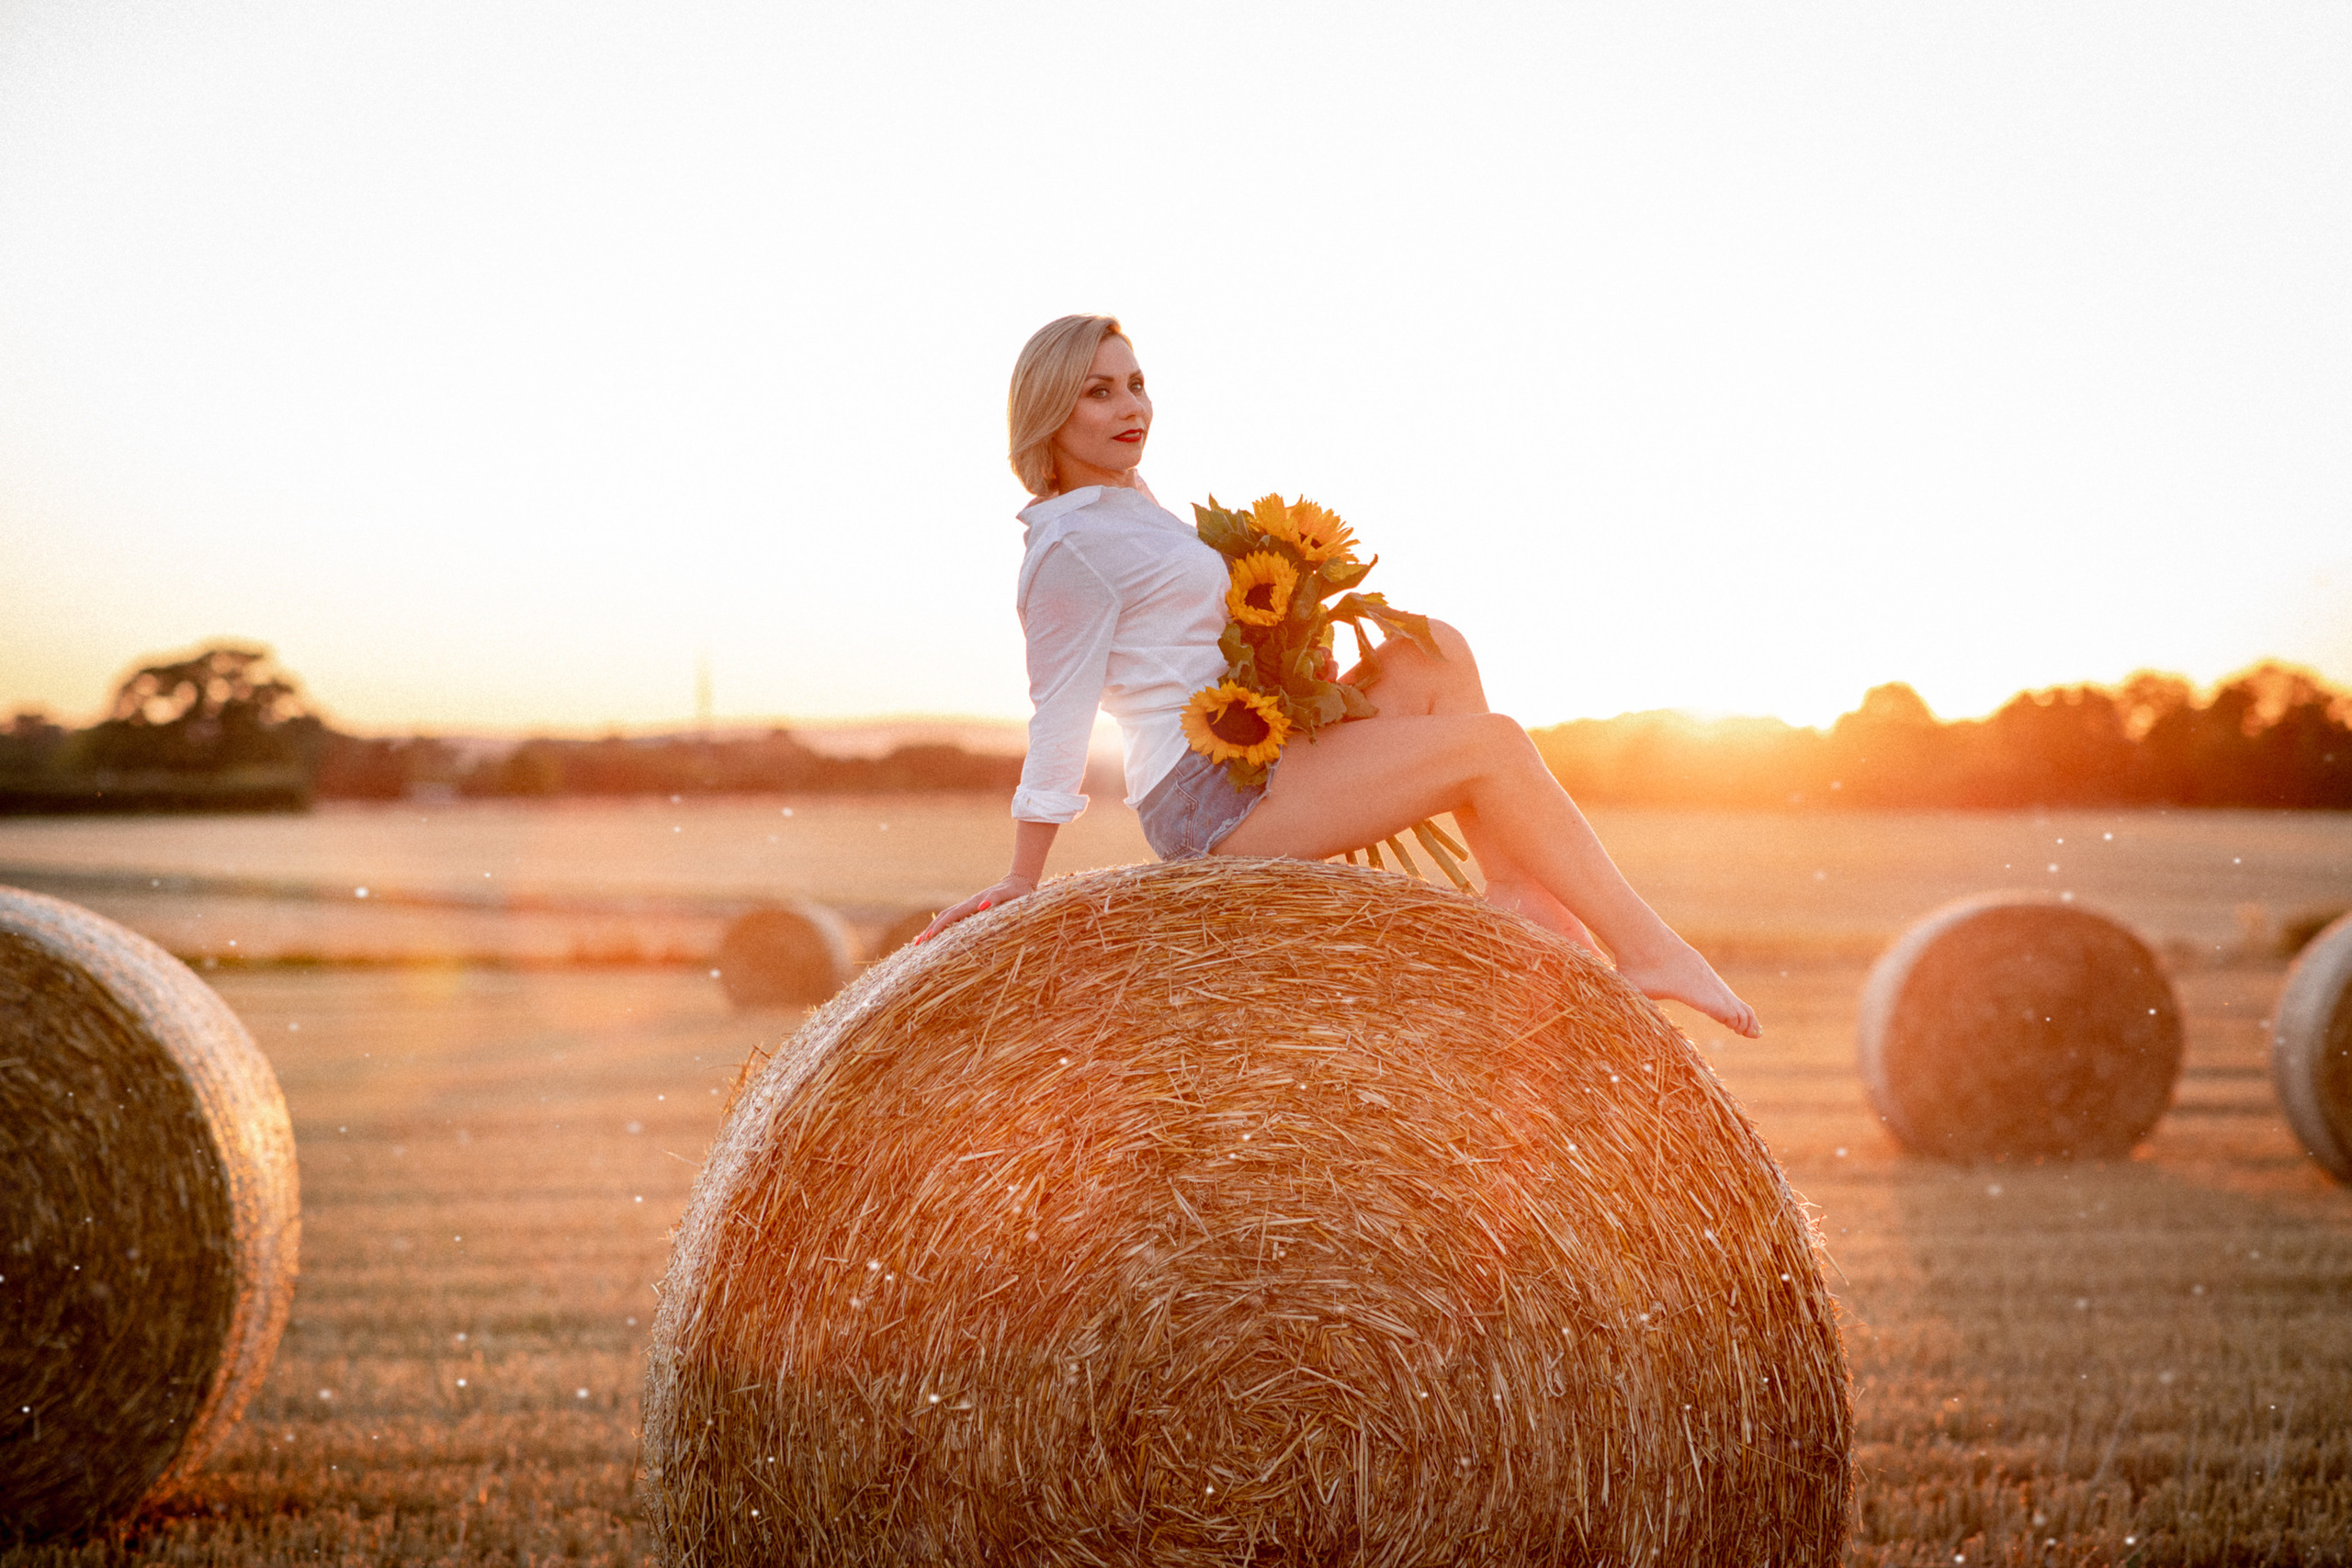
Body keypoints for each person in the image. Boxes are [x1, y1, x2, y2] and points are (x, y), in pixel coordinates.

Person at [920, 314, 1759, 1038]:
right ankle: (1650, 949)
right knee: (1495, 749)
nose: (1132, 405)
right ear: (1047, 407)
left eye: (1136, 383)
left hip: (1258, 743)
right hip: (1210, 798)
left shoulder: (1127, 502)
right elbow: (1058, 718)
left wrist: (1293, 653)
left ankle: (1517, 894)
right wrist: (1023, 878)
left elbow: (1195, 637)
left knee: (1434, 646)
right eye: (1098, 391)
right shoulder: (1066, 551)